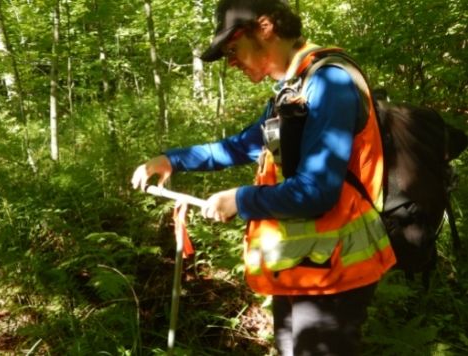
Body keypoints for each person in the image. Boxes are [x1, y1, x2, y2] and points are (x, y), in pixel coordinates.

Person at [131, 0, 396, 354]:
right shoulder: (293, 90)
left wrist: (239, 200)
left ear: (265, 28)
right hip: (306, 267)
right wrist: (171, 160)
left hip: (335, 275)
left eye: (232, 48)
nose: (231, 61)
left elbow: (317, 191)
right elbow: (239, 148)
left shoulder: (330, 81)